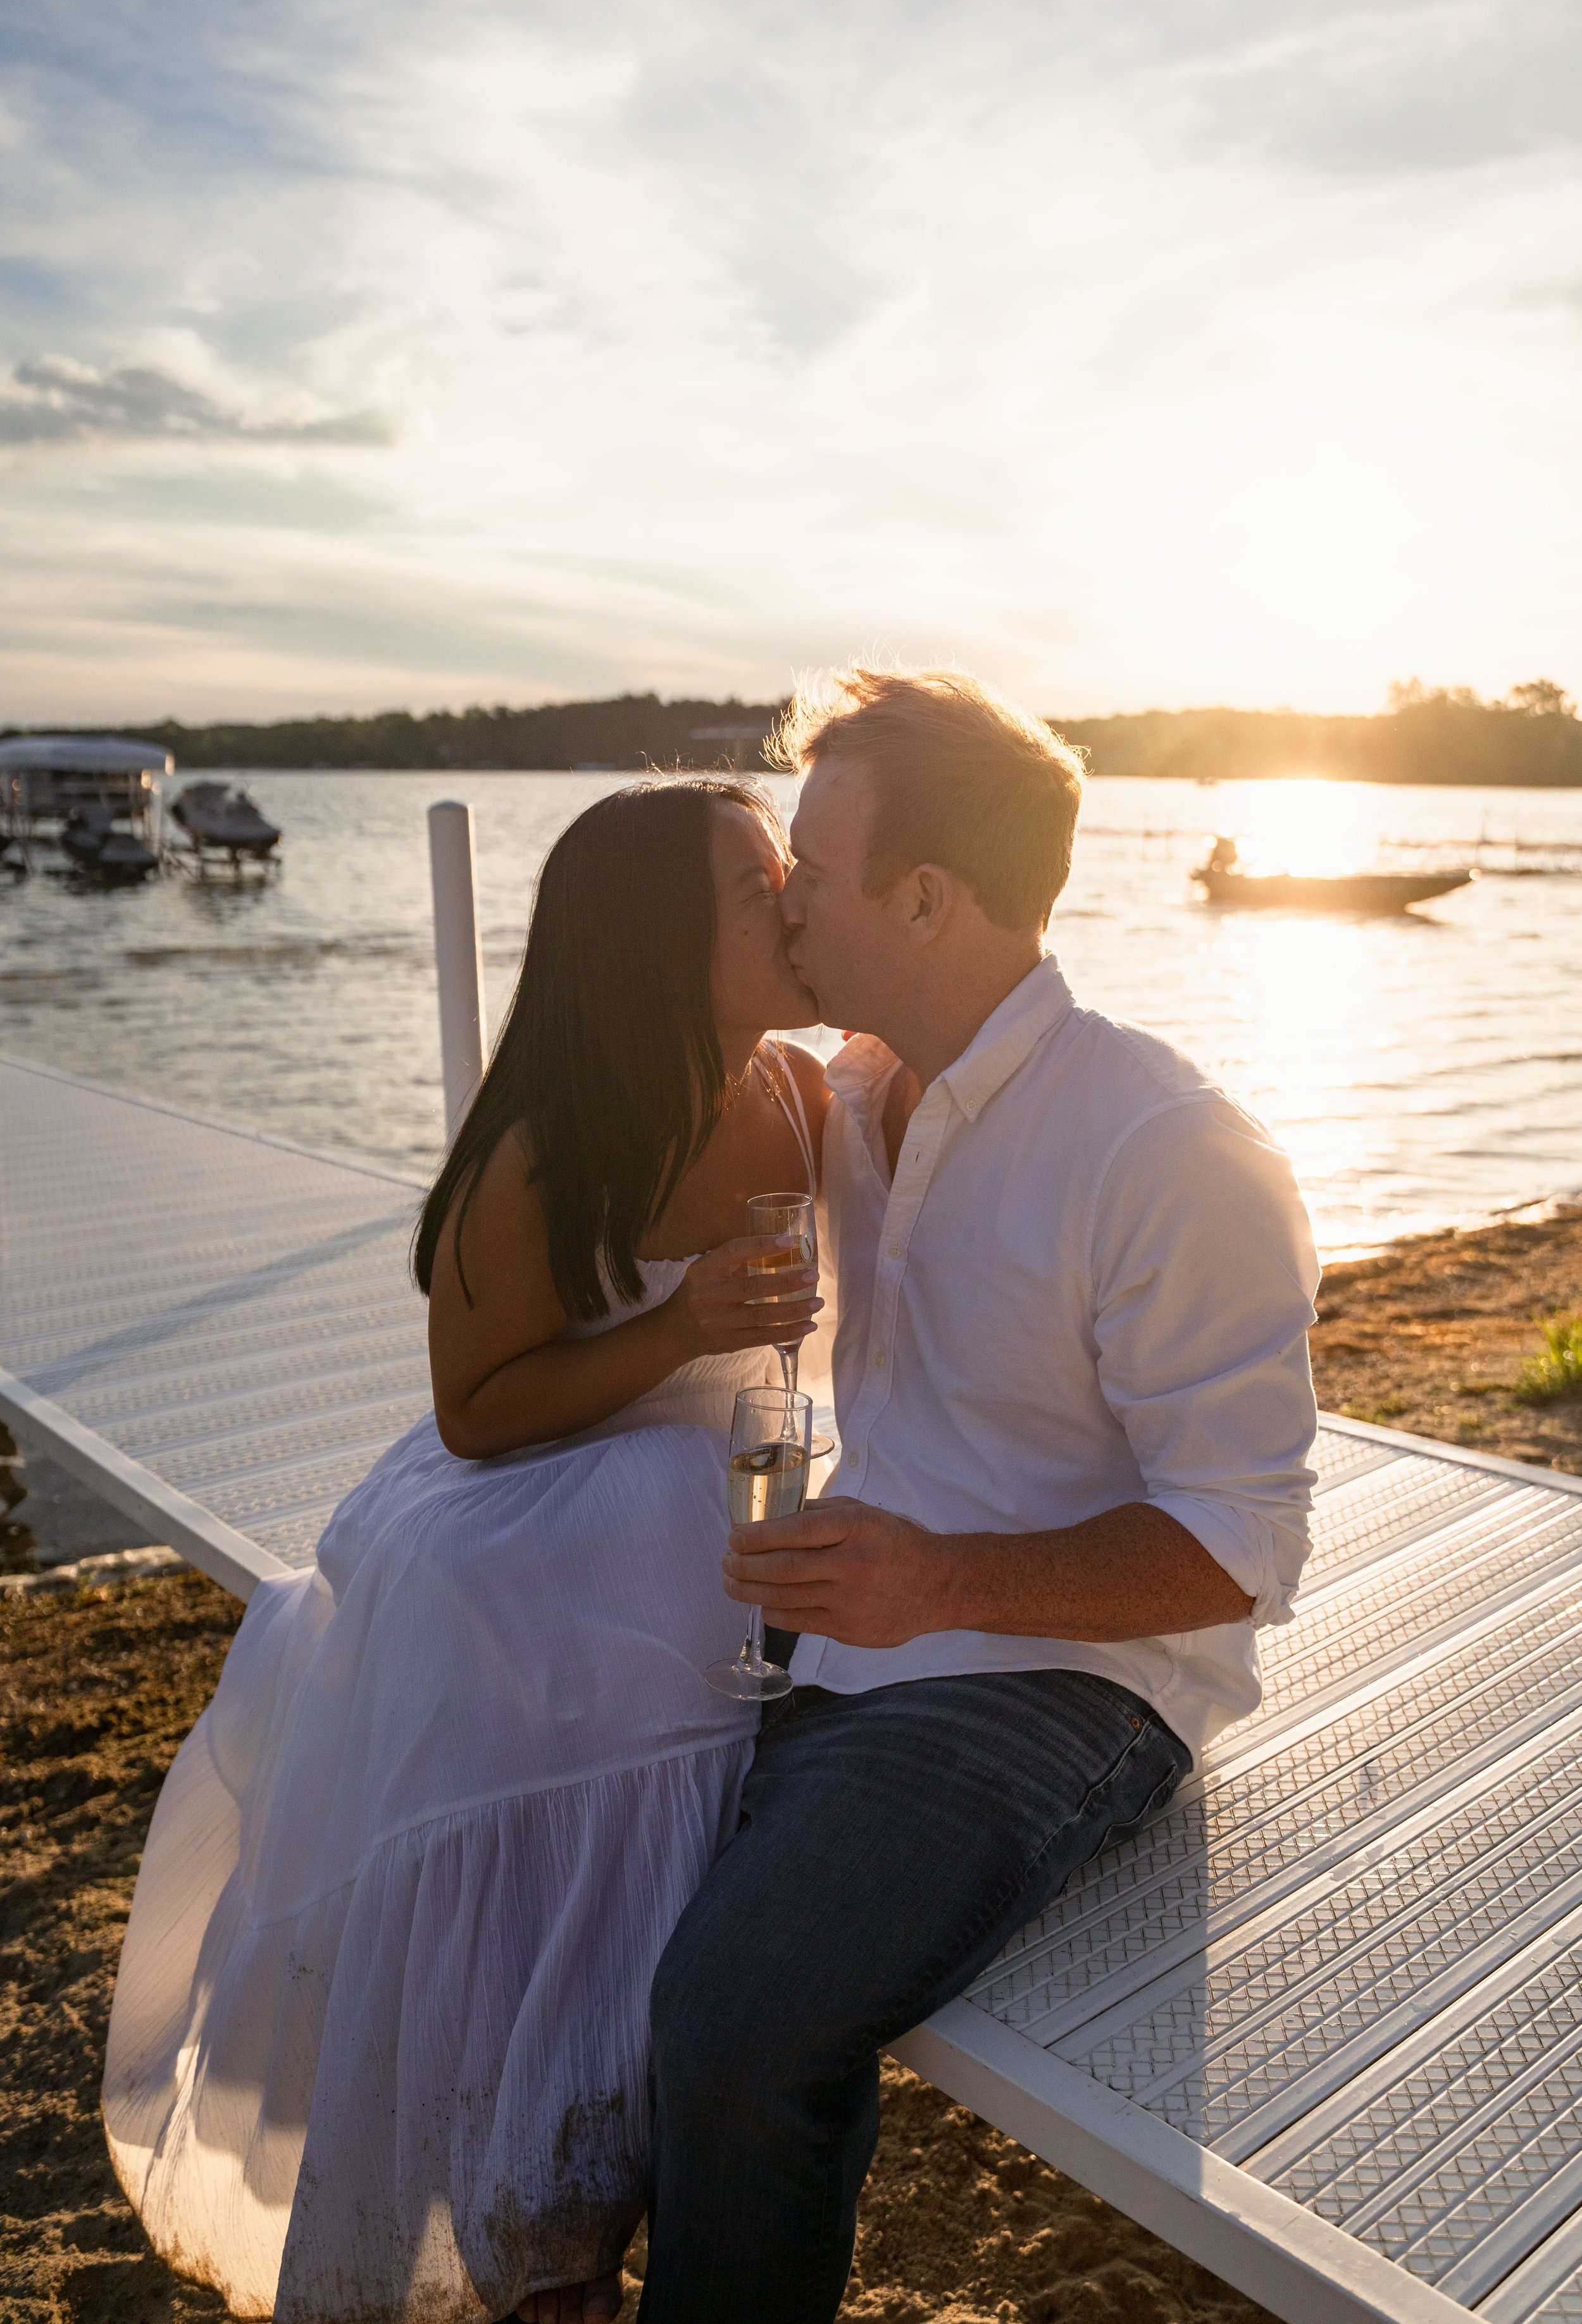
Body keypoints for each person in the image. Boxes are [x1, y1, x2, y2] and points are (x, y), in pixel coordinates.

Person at [637, 669, 1319, 2323]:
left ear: (923, 897)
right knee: (556, 1835)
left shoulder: (1159, 1143)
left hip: (1061, 1681)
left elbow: (1241, 1542)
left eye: (810, 863)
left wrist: (932, 1578)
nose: (785, 895)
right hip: (852, 1626)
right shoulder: (857, 1093)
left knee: (734, 2012)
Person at [102, 777, 830, 2324]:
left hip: (734, 1472)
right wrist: (683, 1327)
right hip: (546, 1492)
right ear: (652, 945)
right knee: (504, 1648)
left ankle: (609, 2132)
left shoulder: (799, 1090)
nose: (793, 892)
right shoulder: (550, 1151)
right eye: (756, 878)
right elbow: (477, 1412)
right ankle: (524, 2191)